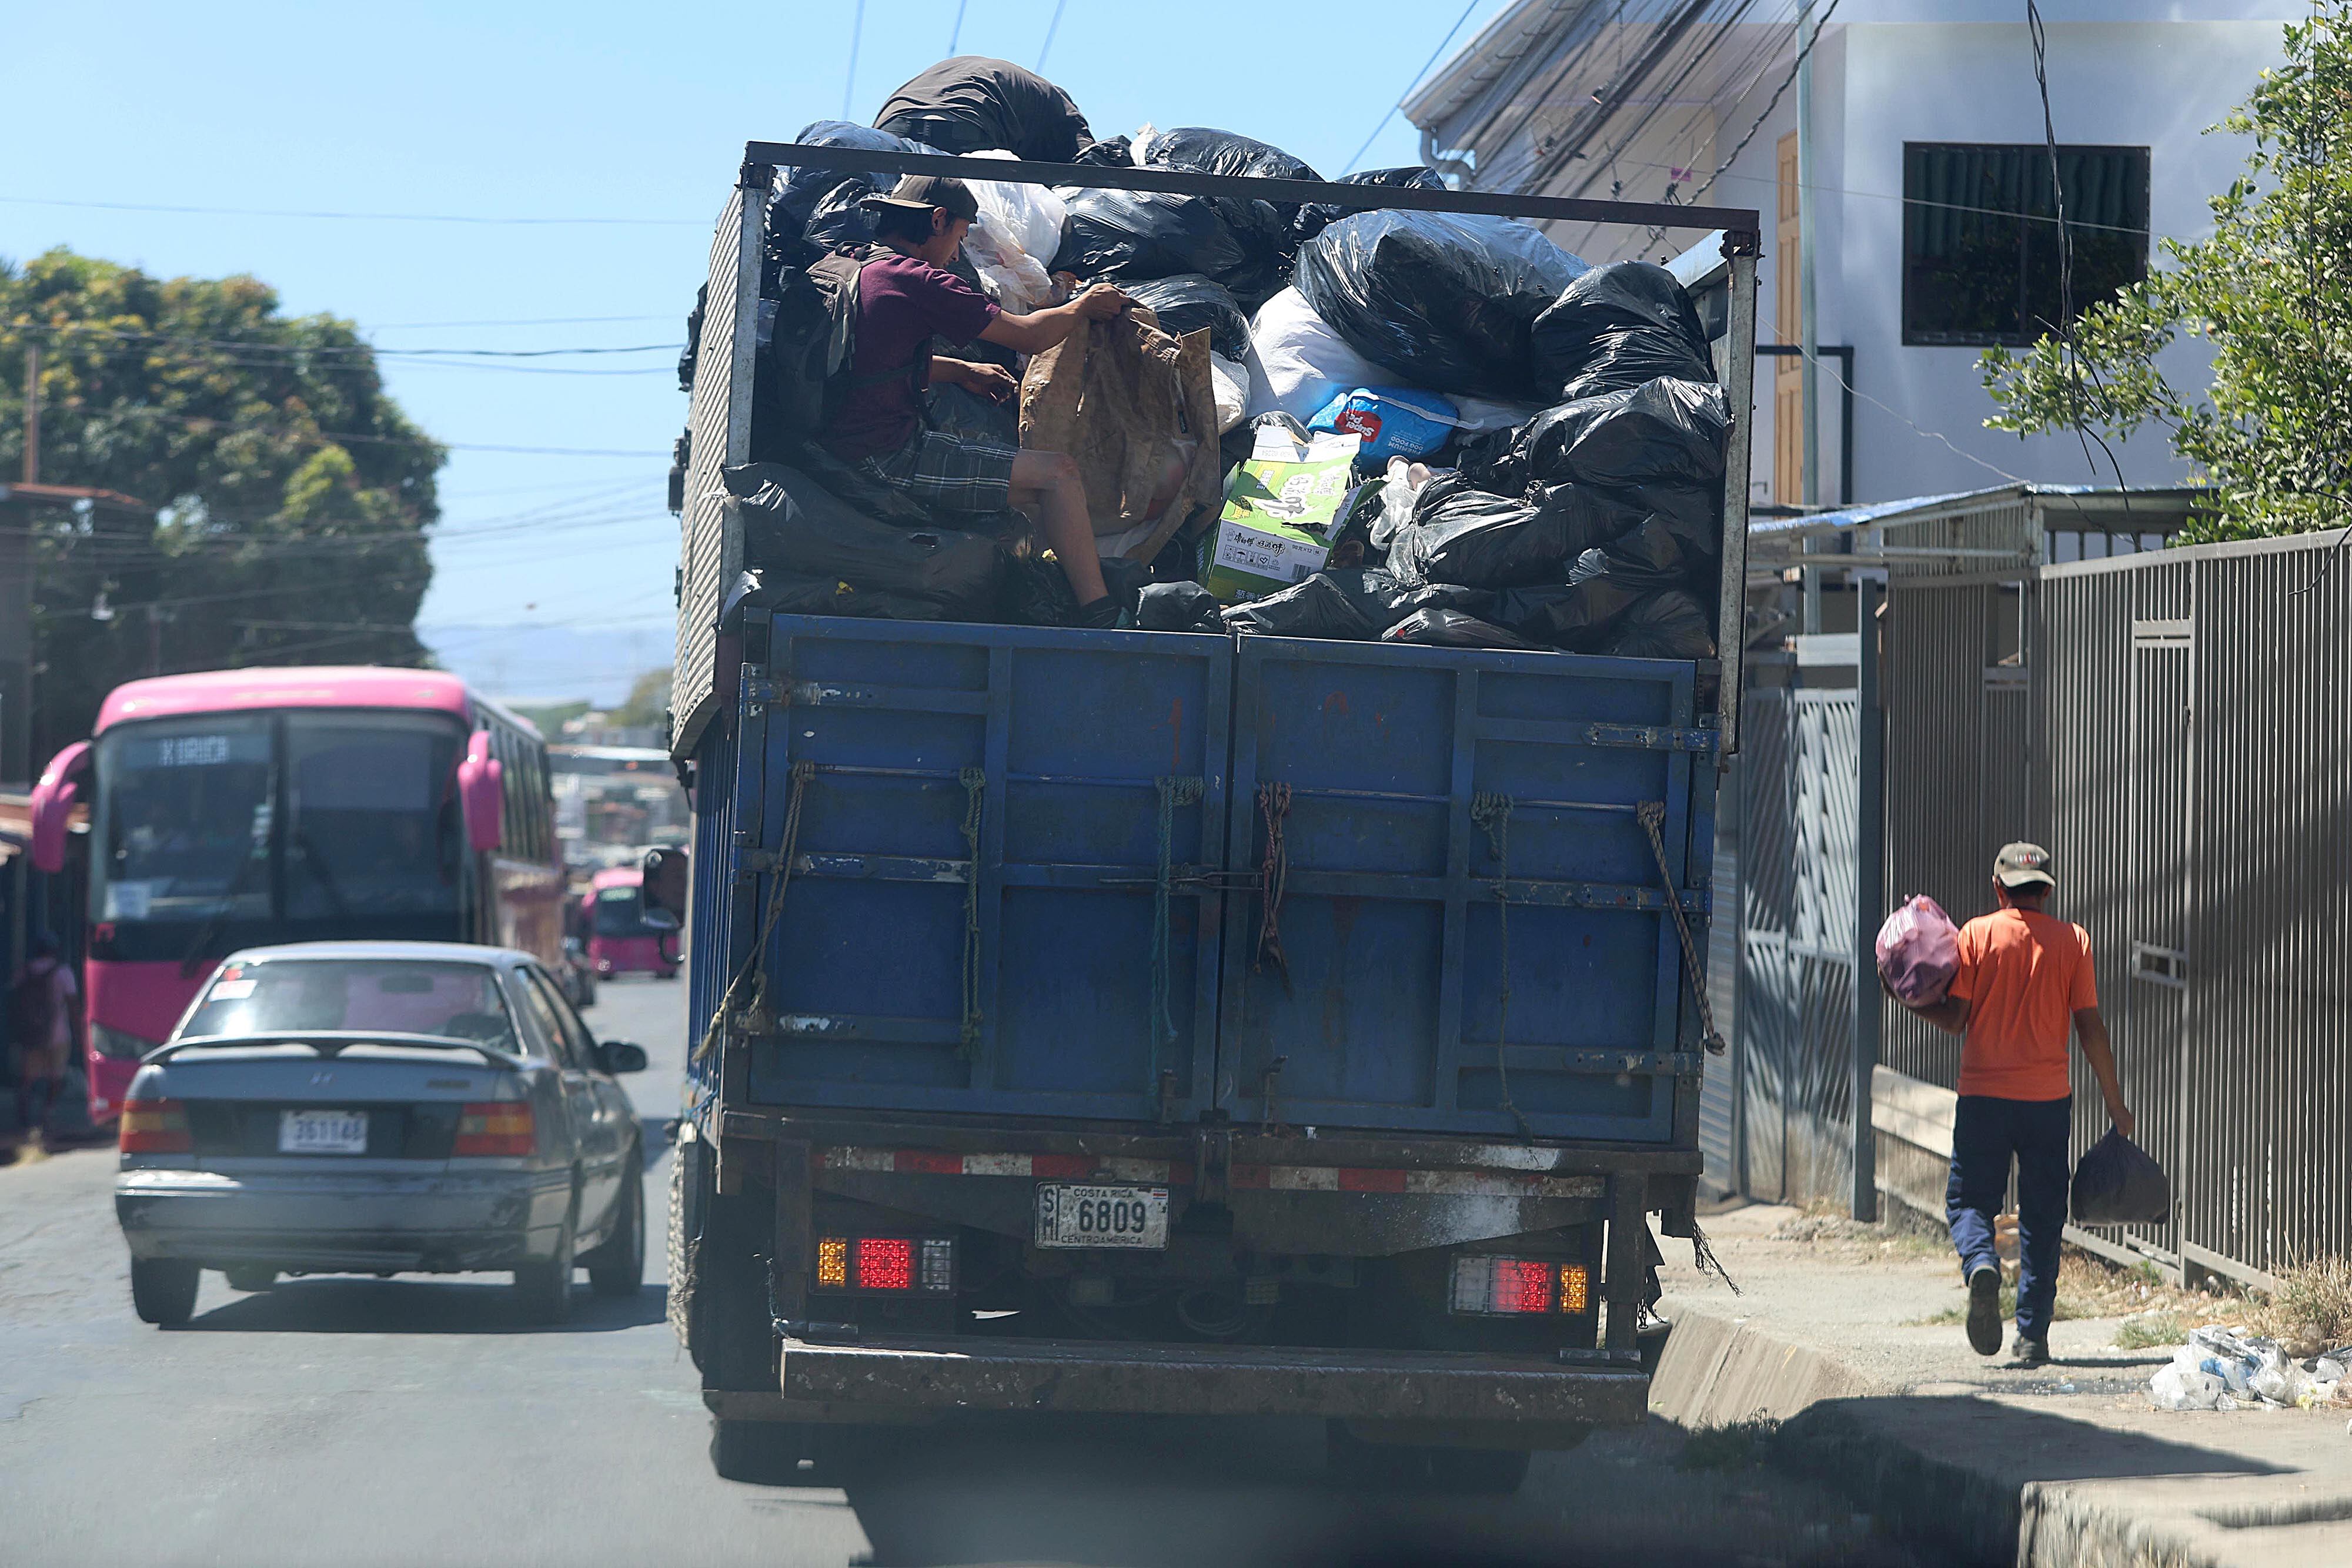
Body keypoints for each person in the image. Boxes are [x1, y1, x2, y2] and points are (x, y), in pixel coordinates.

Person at [820, 174, 1132, 626]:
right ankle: (1102, 615)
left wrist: (963, 371)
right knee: (1058, 474)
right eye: (960, 239)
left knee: (1026, 492)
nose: (956, 255)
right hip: (887, 454)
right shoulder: (917, 279)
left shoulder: (852, 266)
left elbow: (869, 364)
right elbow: (1030, 336)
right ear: (938, 220)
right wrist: (1083, 307)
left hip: (839, 440)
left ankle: (1049, 590)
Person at [1895, 842, 2132, 1369]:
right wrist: (2116, 1104)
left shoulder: (1977, 934)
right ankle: (2033, 1337)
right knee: (2044, 1216)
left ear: (1999, 888)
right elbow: (2090, 1028)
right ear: (2046, 889)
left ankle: (1982, 1262)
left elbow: (1956, 1018)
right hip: (2047, 1102)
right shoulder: (2074, 941)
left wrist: (1910, 1002)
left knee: (1970, 1201)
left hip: (1983, 1097)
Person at [7, 934, 79, 1155]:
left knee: (28, 1078)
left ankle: (24, 1117)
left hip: (31, 1035)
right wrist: (79, 1031)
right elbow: (72, 1003)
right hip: (57, 1034)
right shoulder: (63, 972)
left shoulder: (25, 971)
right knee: (56, 1076)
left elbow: (14, 999)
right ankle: (47, 1114)